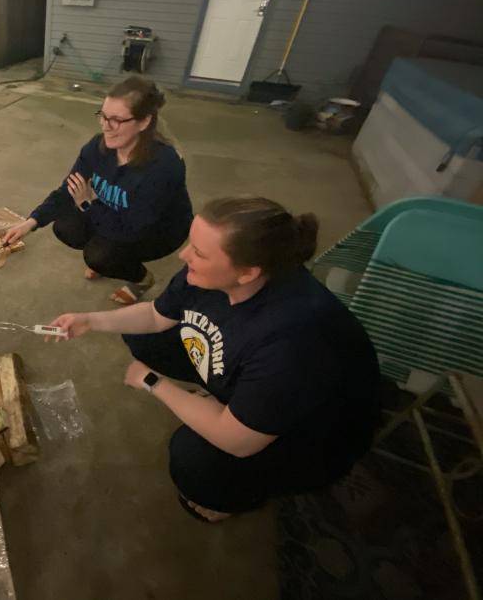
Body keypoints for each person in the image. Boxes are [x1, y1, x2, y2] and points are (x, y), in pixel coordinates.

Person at [49, 196, 380, 522]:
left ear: (247, 273)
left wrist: (153, 382)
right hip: (263, 380)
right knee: (143, 336)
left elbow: (237, 442)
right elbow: (155, 316)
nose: (183, 255)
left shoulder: (292, 340)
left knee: (194, 459)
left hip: (314, 437)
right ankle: (231, 400)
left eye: (199, 253)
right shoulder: (210, 275)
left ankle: (235, 497)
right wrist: (89, 320)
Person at [3, 77, 192, 305]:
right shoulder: (98, 146)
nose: (105, 126)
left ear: (144, 122)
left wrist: (86, 205)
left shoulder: (163, 166)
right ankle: (109, 260)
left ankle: (141, 280)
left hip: (156, 232)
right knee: (66, 227)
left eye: (117, 120)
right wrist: (30, 222)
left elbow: (131, 230)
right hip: (114, 214)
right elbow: (68, 190)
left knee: (99, 254)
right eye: (103, 116)